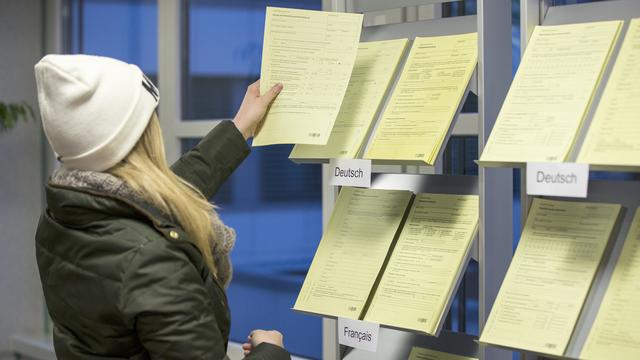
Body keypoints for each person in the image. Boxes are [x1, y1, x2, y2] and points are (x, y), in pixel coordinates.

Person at [34, 54, 290, 359]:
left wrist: (239, 128)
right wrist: (271, 351)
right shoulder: (152, 263)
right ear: (136, 136)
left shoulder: (64, 215)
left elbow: (160, 197)